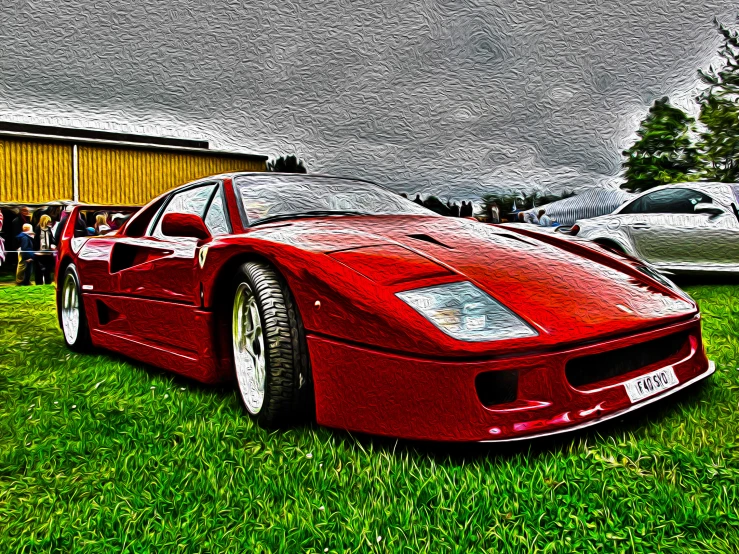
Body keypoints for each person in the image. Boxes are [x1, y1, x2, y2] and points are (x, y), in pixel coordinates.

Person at [33, 215, 56, 284]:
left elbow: (52, 239)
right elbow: (35, 241)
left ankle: (48, 282)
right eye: (48, 221)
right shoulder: (37, 229)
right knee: (38, 270)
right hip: (39, 252)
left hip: (48, 252)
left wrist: (53, 245)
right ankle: (39, 283)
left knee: (48, 269)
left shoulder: (49, 229)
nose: (49, 223)